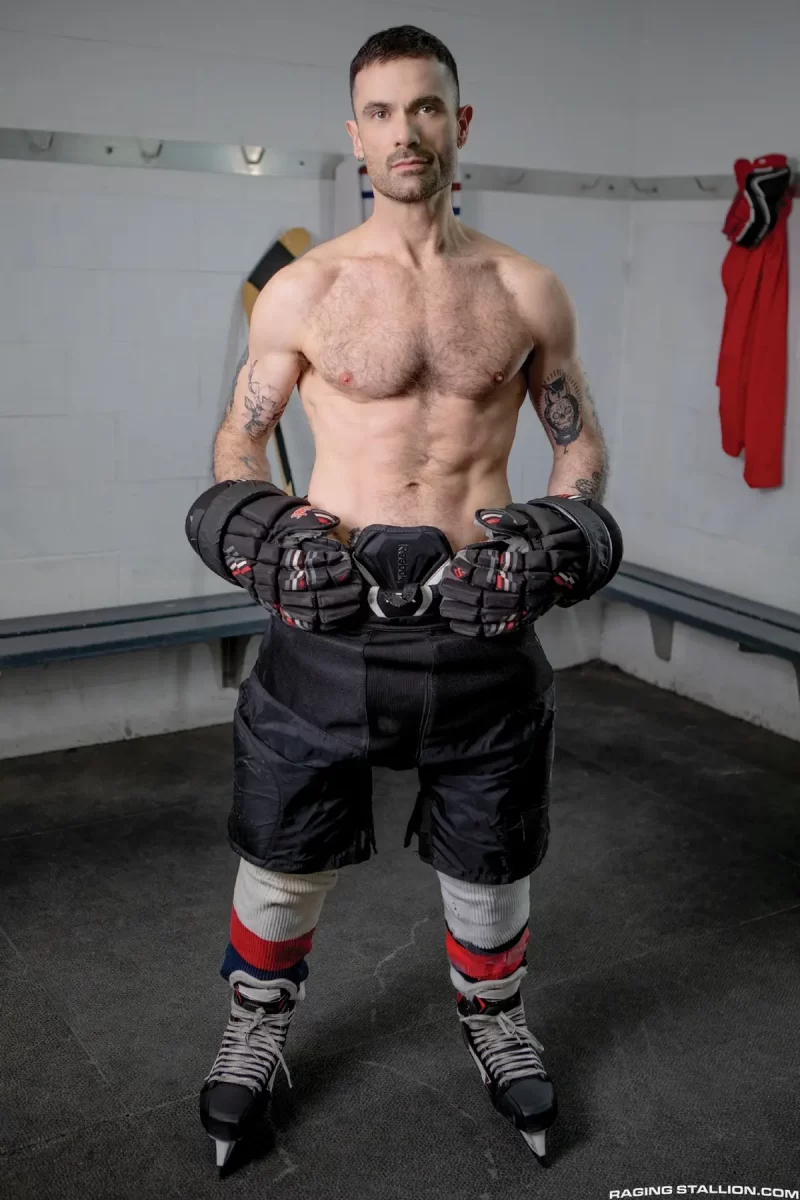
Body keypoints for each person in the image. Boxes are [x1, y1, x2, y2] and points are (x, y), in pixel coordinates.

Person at [185, 24, 622, 1175]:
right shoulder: (305, 290)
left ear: (457, 122)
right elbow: (238, 442)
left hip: (481, 620)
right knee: (284, 855)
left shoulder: (525, 289)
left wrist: (551, 539)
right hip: (327, 621)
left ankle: (495, 1022)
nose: (403, 132)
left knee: (490, 859)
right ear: (354, 134)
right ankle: (255, 1028)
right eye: (379, 113)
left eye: (423, 107)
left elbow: (577, 450)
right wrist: (269, 538)